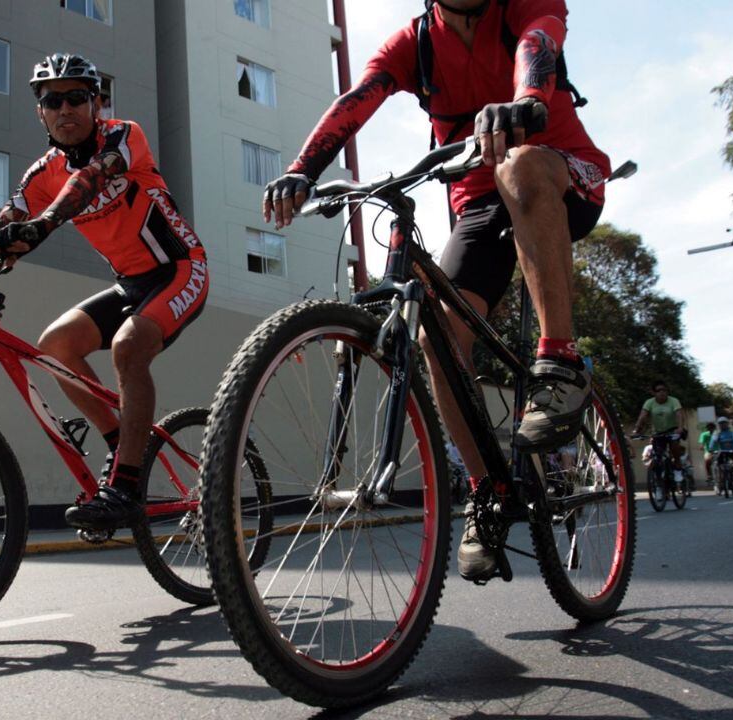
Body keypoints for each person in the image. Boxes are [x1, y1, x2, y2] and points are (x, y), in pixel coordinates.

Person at [261, 0, 611, 582]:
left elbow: (539, 43)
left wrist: (527, 102)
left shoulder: (522, 8)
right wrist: (304, 167)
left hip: (563, 172)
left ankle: (560, 364)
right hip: (477, 201)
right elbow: (358, 99)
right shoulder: (416, 44)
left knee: (519, 165)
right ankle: (489, 490)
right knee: (437, 334)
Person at [0, 53, 208, 531]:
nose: (65, 108)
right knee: (54, 347)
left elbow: (89, 179)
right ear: (41, 112)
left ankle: (126, 488)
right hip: (130, 283)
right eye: (53, 100)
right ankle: (123, 446)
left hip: (180, 269)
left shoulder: (123, 136)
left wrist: (43, 224)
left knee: (130, 349)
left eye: (77, 98)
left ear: (96, 104)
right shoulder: (40, 174)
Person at [633, 380, 687, 469]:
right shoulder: (649, 402)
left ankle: (677, 462)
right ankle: (657, 476)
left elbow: (679, 415)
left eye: (664, 390)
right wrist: (636, 430)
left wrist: (680, 427)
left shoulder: (674, 401)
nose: (662, 392)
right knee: (657, 454)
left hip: (673, 430)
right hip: (658, 432)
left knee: (674, 446)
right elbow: (642, 416)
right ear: (654, 393)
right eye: (659, 390)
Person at [698, 421, 716, 490]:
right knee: (707, 461)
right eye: (709, 427)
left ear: (714, 428)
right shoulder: (704, 435)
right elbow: (702, 443)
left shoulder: (716, 434)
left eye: (712, 427)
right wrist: (702, 447)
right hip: (709, 451)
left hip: (718, 451)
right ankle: (709, 475)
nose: (710, 429)